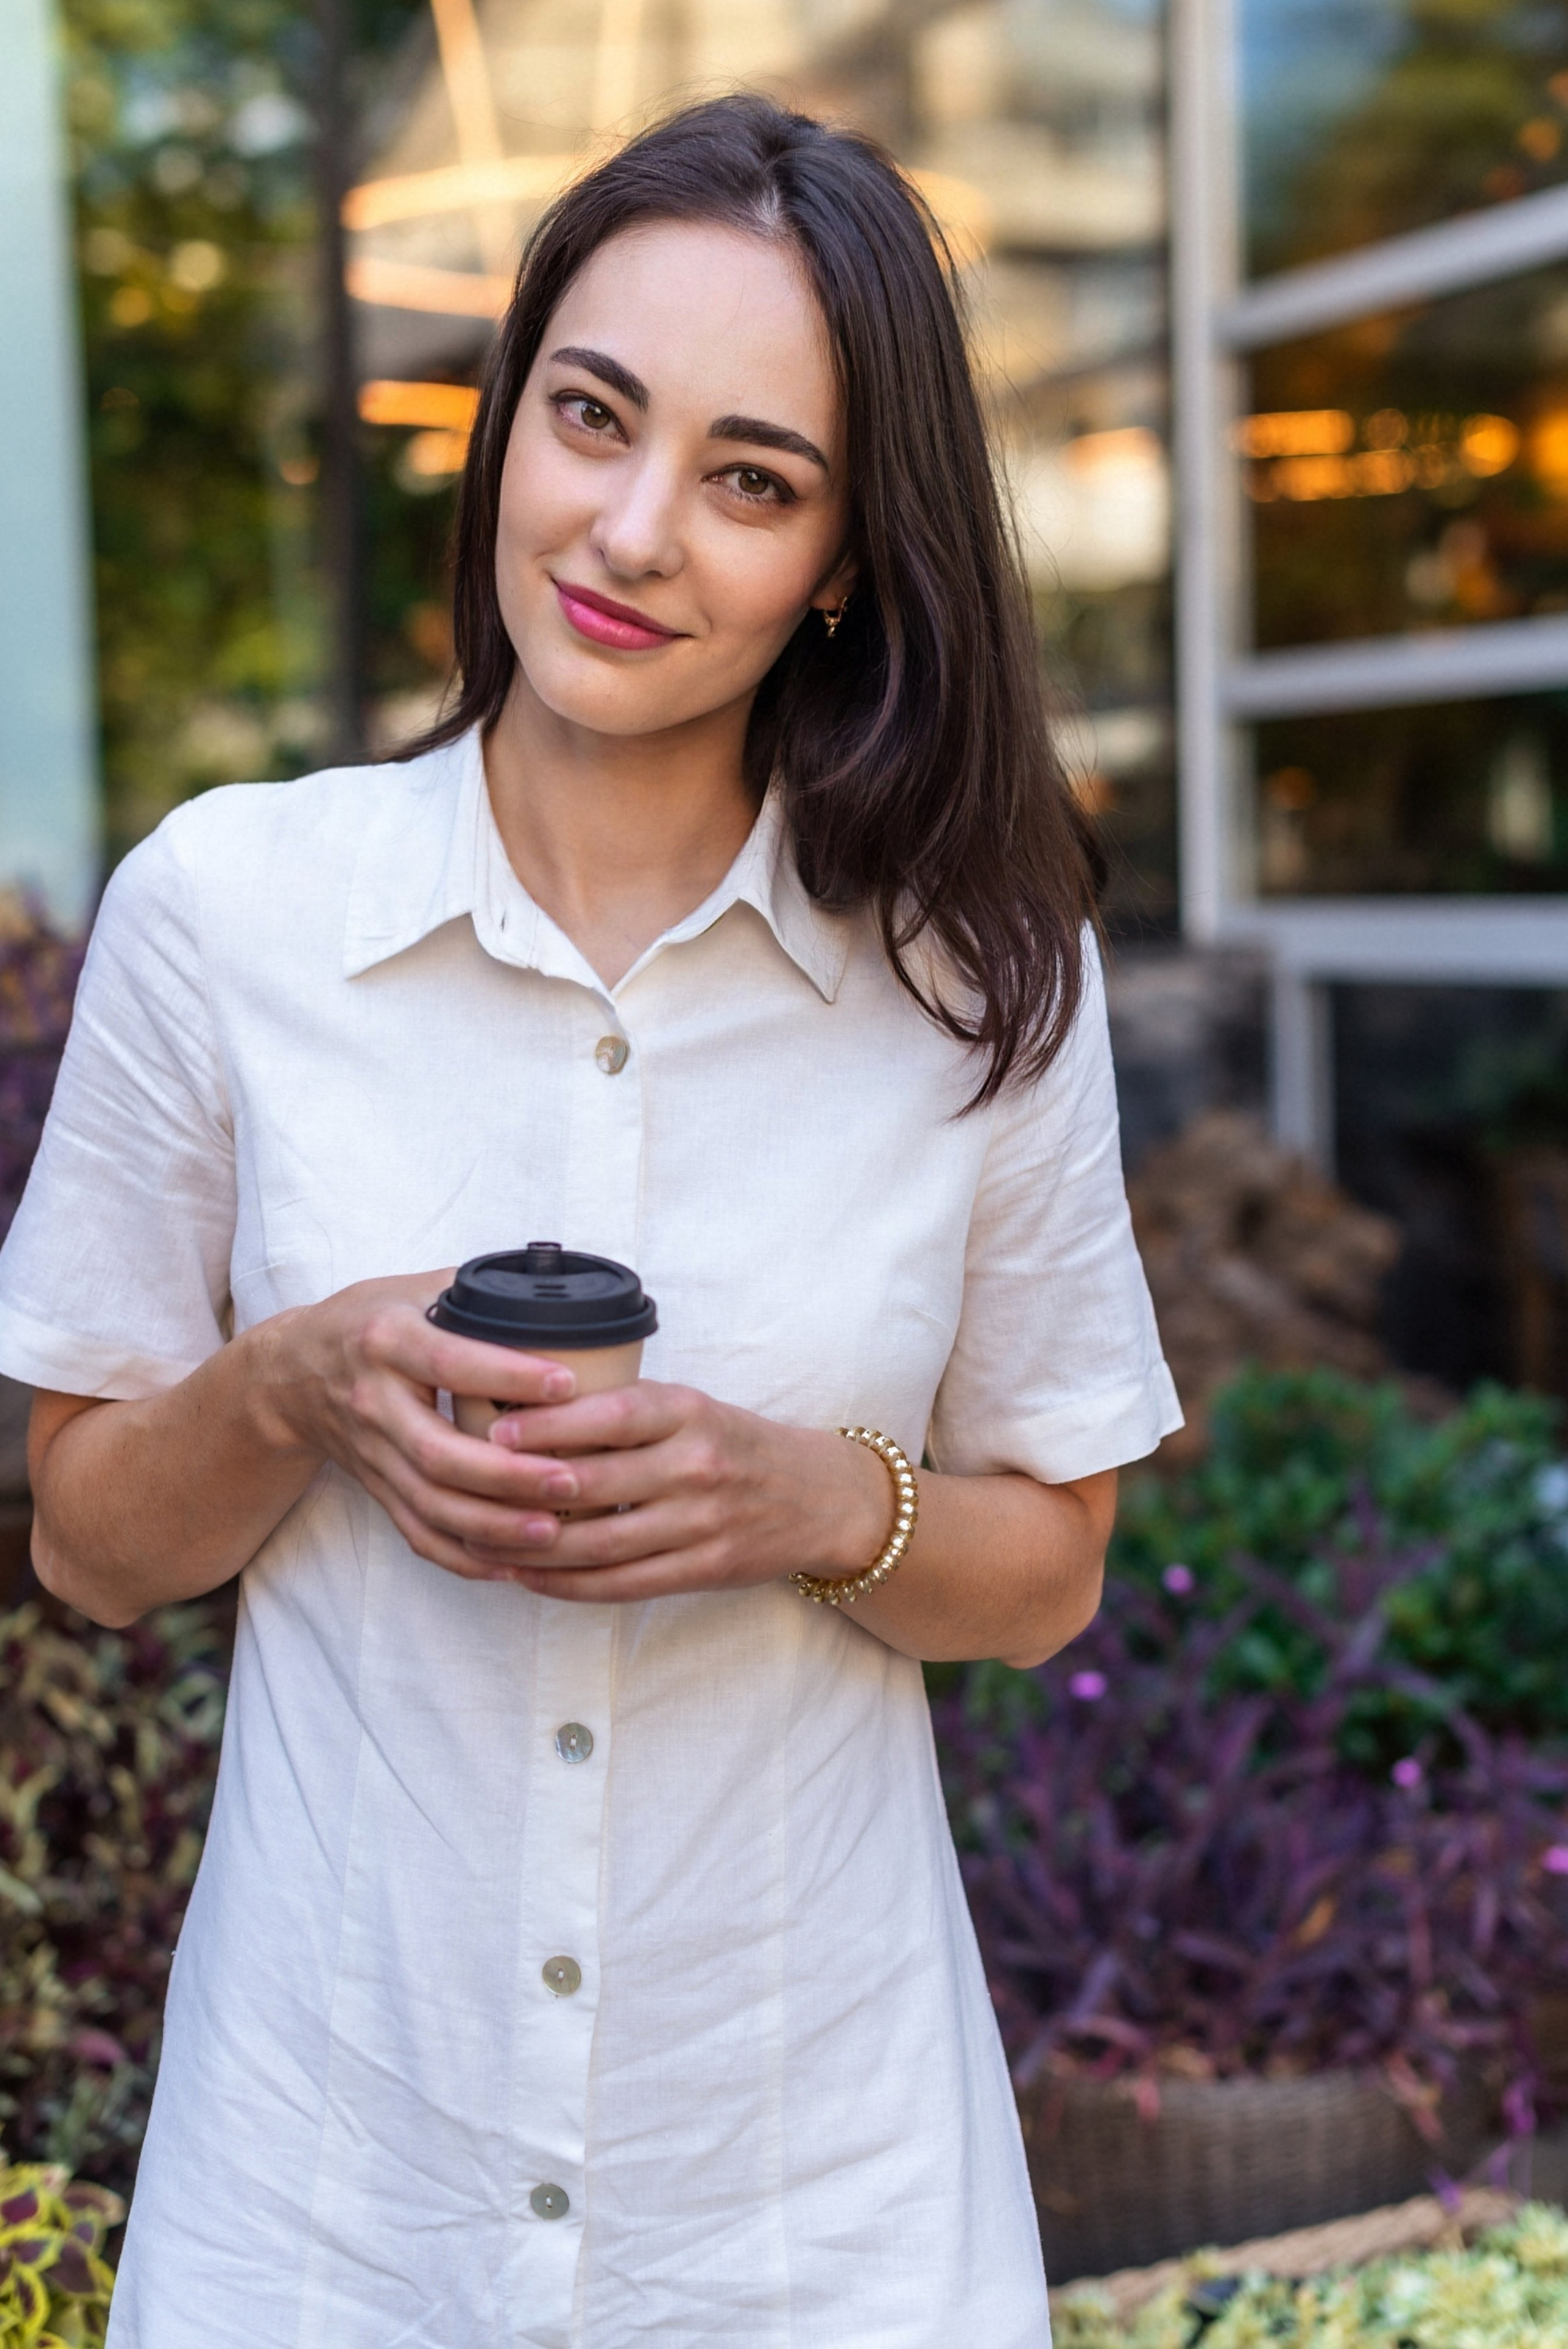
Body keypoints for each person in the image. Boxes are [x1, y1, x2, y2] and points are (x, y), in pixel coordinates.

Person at [0, 94, 1178, 2349]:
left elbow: (1052, 1564)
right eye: (591, 417)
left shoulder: (978, 982)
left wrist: (813, 1496)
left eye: (753, 479)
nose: (633, 531)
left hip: (815, 2218)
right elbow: (86, 1538)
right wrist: (293, 1382)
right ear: (505, 416)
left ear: (844, 557)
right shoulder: (230, 913)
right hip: (329, 2207)